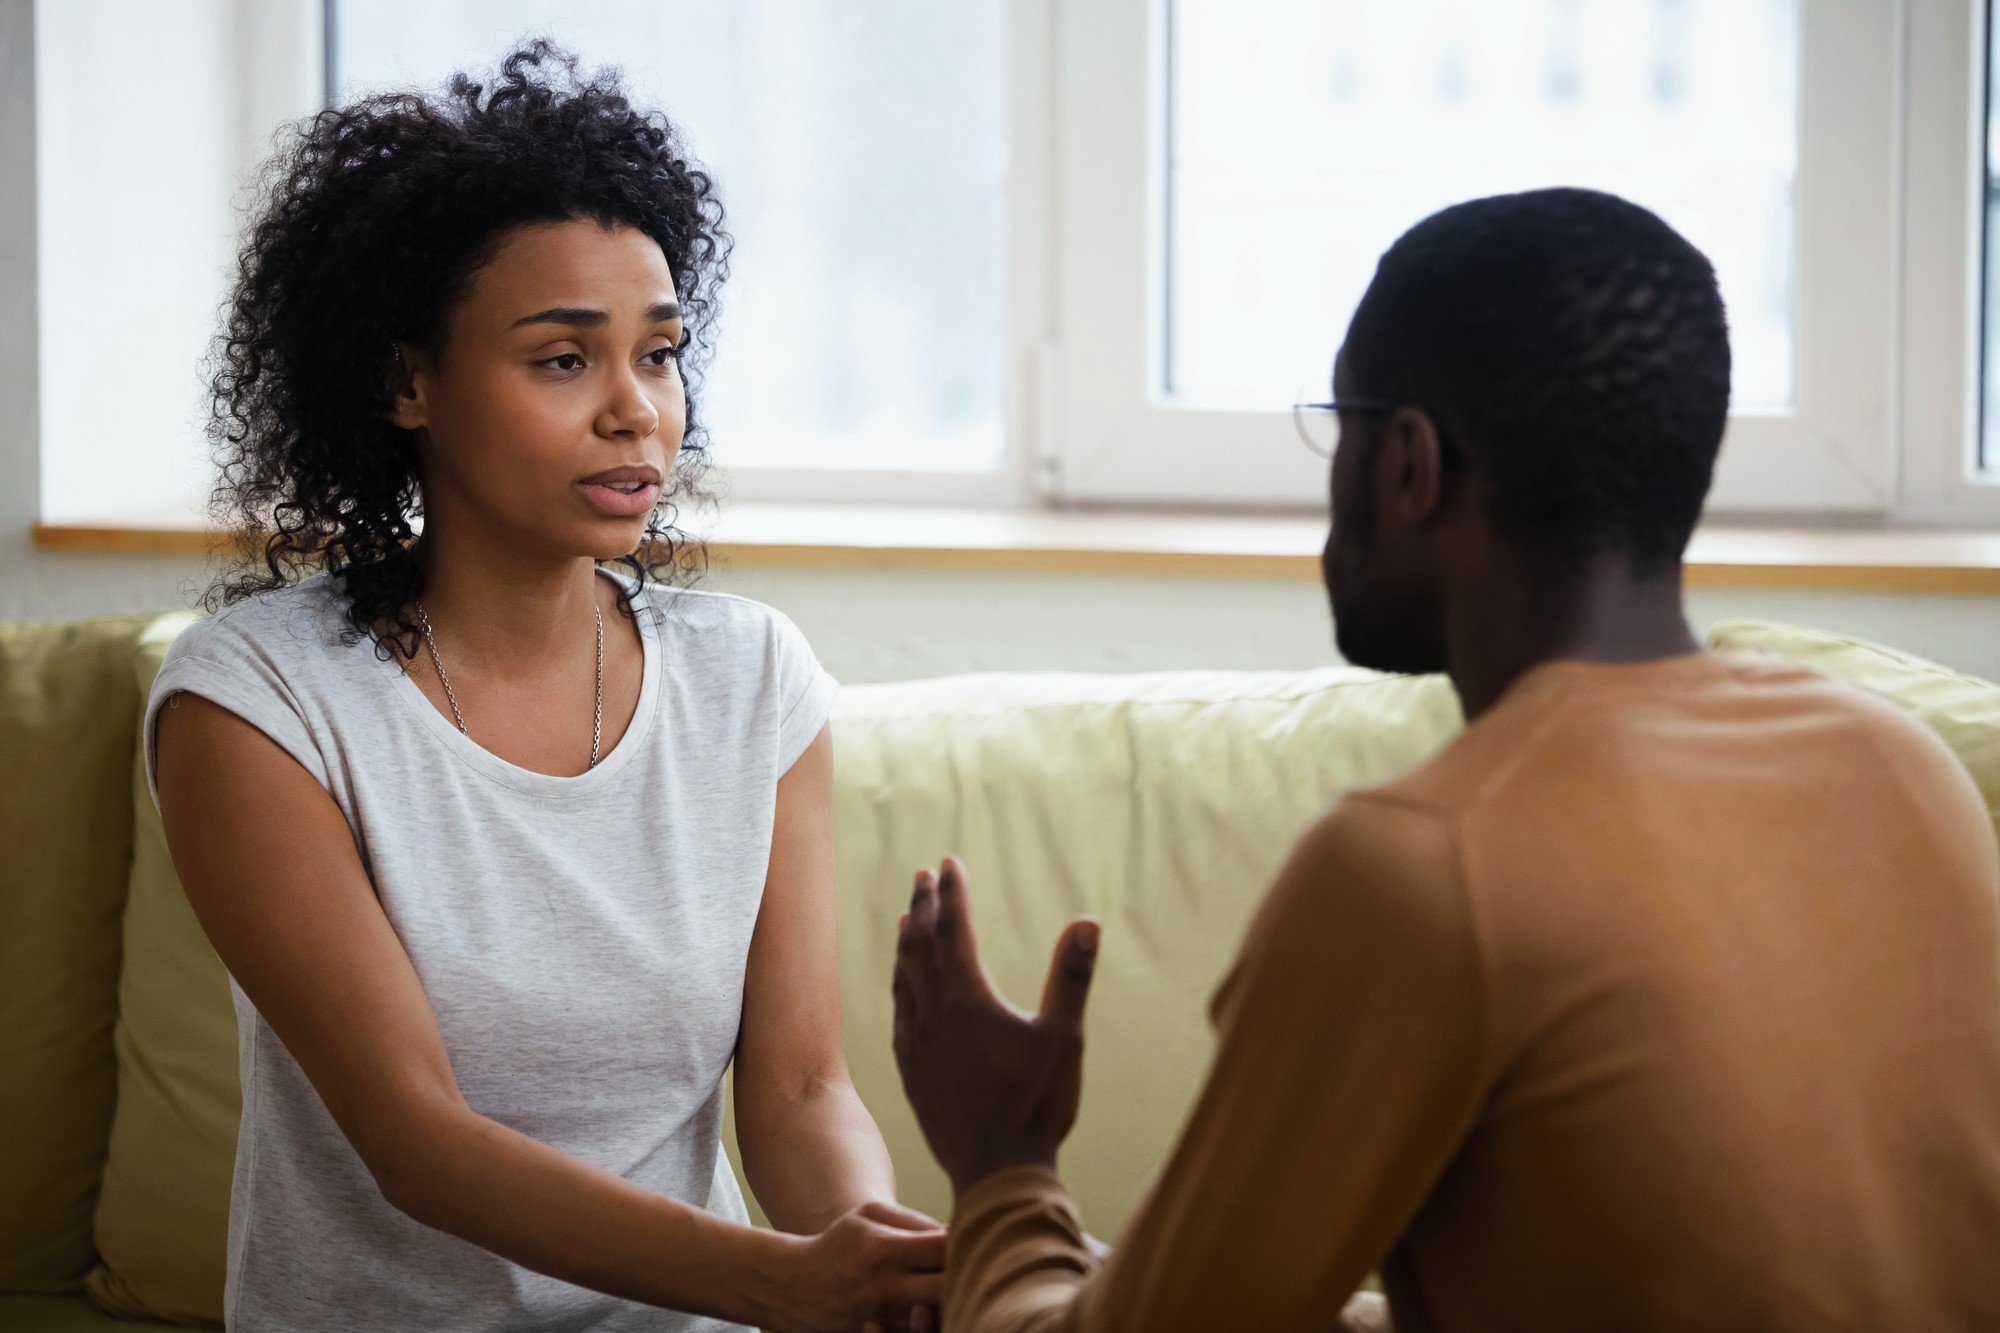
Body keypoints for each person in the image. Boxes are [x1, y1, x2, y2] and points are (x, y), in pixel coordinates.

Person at [889, 188, 2000, 1332]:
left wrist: (1002, 1164)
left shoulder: (1417, 870)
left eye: (1342, 423)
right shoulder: (1903, 771)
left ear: (1409, 463)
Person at [152, 44, 940, 1333]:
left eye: (661, 353)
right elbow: (417, 1141)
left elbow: (799, 1095)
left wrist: (870, 1265)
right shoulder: (257, 701)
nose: (638, 412)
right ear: (408, 381)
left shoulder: (751, 679)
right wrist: (777, 1282)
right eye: (564, 360)